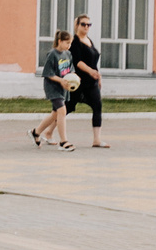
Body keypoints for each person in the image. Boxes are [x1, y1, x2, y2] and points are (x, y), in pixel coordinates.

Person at [63, 13, 108, 149]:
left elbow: (93, 61)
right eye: (83, 24)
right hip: (79, 82)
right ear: (77, 25)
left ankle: (97, 139)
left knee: (97, 106)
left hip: (91, 82)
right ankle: (44, 131)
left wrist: (98, 75)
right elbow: (78, 62)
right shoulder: (75, 42)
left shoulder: (89, 40)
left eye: (89, 25)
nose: (86, 27)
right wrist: (91, 71)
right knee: (66, 108)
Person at [30, 28, 76, 150]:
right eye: (67, 43)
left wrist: (74, 77)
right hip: (52, 87)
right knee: (62, 111)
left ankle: (36, 132)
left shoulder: (68, 54)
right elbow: (48, 74)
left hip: (63, 88)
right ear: (60, 41)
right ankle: (64, 142)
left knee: (55, 114)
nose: (69, 45)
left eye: (70, 43)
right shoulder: (52, 54)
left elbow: (70, 70)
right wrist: (61, 80)